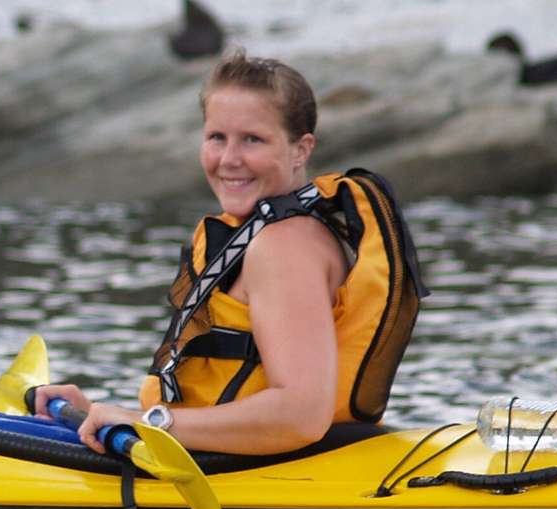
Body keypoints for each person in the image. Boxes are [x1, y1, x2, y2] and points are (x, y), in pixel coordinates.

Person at [34, 50, 424, 457]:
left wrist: (148, 423)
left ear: (301, 149)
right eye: (216, 137)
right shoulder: (256, 233)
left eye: (252, 139)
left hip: (278, 475)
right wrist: (95, 414)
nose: (229, 160)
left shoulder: (285, 247)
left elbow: (300, 415)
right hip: (235, 463)